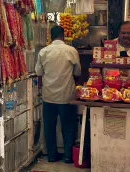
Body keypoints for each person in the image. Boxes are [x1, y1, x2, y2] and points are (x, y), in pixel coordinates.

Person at [35, 26, 81, 164]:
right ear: (63, 36)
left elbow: (39, 73)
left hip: (48, 96)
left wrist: (41, 88)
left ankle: (52, 156)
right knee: (68, 127)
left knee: (49, 127)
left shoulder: (43, 52)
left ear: (51, 36)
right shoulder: (71, 51)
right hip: (66, 96)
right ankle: (68, 156)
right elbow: (77, 72)